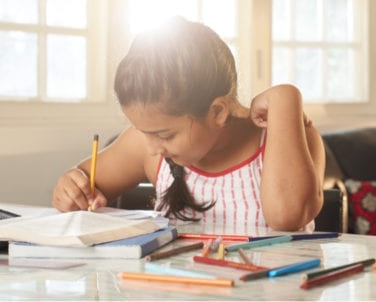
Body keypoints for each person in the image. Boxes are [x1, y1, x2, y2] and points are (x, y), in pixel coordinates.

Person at [52, 16, 325, 231]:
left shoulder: (289, 137)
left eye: (164, 134)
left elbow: (287, 216)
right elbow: (82, 182)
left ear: (217, 112)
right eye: (143, 131)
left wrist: (285, 99)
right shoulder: (146, 145)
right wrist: (70, 188)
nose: (151, 147)